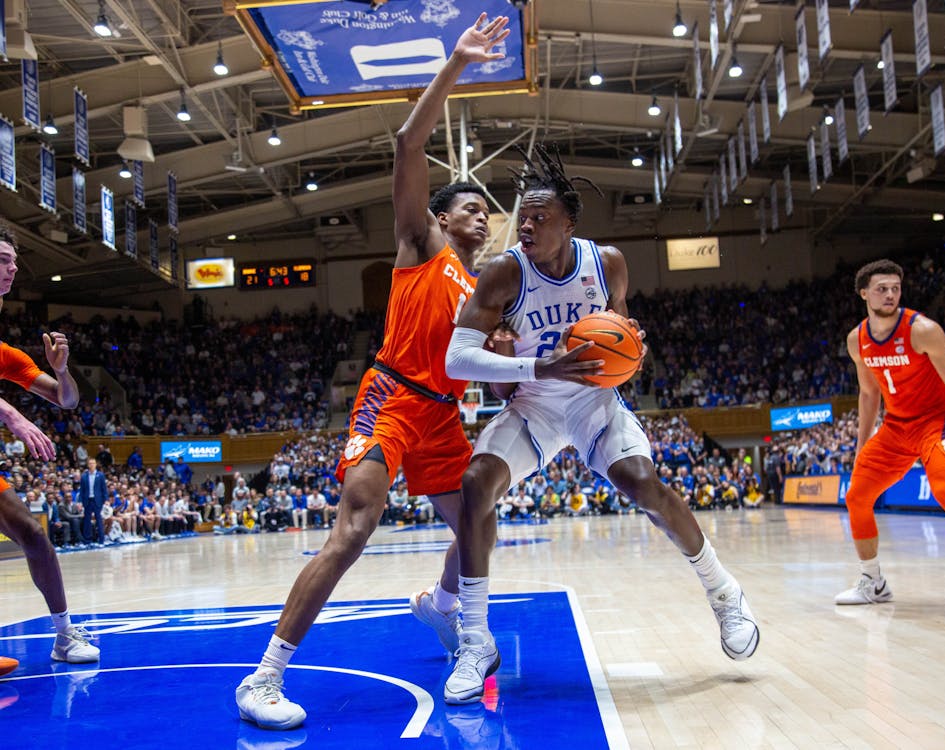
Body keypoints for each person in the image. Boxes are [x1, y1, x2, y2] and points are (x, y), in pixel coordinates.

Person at [235, 13, 511, 730]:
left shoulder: (484, 295)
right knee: (354, 529)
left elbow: (497, 376)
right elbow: (406, 142)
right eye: (472, 210)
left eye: (488, 213)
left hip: (444, 417)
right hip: (390, 399)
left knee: (480, 523)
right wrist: (455, 64)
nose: (483, 219)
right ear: (443, 218)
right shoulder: (422, 247)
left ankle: (443, 609)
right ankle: (263, 678)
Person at [442, 144, 759, 704]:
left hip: (593, 403)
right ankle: (475, 639)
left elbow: (618, 333)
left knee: (642, 482)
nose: (527, 225)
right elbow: (456, 360)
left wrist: (629, 347)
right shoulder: (501, 275)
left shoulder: (606, 262)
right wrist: (538, 363)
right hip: (536, 402)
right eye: (523, 215)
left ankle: (724, 591)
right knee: (474, 484)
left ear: (569, 224)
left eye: (541, 217)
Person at [836, 259, 945, 620]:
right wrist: (863, 444)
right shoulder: (857, 339)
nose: (891, 294)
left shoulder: (923, 329)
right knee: (857, 496)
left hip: (938, 422)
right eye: (882, 288)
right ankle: (873, 582)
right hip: (896, 427)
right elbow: (868, 395)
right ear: (864, 293)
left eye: (895, 287)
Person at [0, 223, 99, 663]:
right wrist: (10, 413)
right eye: (3, 260)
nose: (12, 268)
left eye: (14, 262)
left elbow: (68, 401)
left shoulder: (5, 353)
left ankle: (64, 636)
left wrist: (61, 371)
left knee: (33, 534)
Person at [79, 457, 108, 545]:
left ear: (96, 464)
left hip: (97, 500)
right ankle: (87, 540)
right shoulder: (84, 476)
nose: (91, 465)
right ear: (88, 465)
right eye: (90, 463)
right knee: (87, 520)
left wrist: (106, 499)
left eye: (93, 463)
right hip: (87, 500)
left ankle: (101, 539)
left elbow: (104, 488)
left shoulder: (100, 475)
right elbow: (82, 490)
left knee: (99, 520)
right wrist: (80, 501)